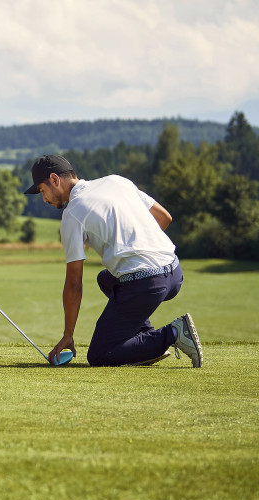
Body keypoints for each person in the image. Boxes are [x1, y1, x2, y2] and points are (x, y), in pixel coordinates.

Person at [25, 154, 203, 368]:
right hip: (174, 272)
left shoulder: (72, 214)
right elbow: (164, 217)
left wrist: (68, 335)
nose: (44, 199)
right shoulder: (117, 181)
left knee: (100, 354)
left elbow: (74, 283)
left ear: (55, 180)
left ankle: (174, 333)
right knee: (106, 279)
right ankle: (146, 340)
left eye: (42, 190)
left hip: (148, 283)